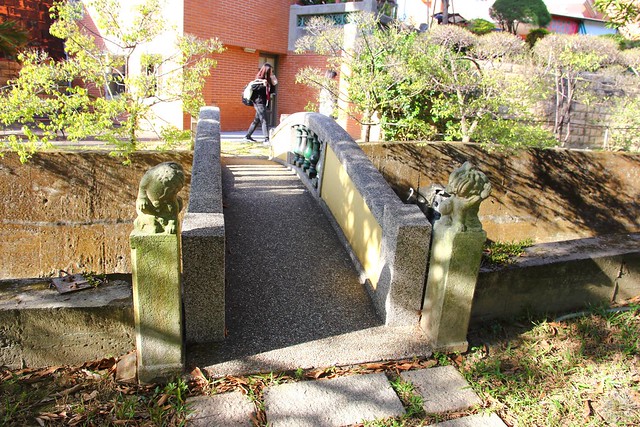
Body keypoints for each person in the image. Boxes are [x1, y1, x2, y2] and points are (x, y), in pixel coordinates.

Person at [244, 63, 278, 144]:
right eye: (270, 71)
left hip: (263, 102)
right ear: (266, 71)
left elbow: (272, 90)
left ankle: (247, 136)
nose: (271, 72)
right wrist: (263, 84)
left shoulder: (269, 80)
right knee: (264, 120)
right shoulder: (258, 80)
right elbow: (255, 90)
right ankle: (266, 139)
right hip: (258, 102)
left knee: (257, 120)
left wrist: (273, 80)